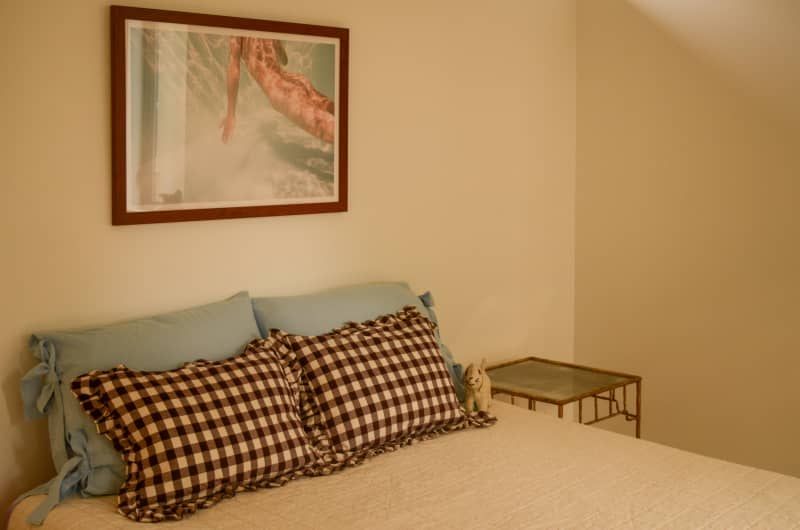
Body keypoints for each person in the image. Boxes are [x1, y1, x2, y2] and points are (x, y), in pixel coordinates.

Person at [221, 36, 335, 144]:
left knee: (334, 132)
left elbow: (234, 70)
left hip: (278, 89)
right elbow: (284, 60)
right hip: (296, 80)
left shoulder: (239, 30)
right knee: (341, 115)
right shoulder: (267, 27)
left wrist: (231, 114)